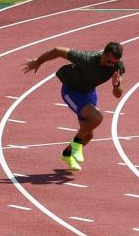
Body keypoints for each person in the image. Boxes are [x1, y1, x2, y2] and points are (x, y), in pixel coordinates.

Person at [23, 41, 125, 169]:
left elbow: (117, 94)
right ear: (105, 54)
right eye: (111, 61)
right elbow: (58, 50)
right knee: (97, 118)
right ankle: (76, 144)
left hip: (89, 92)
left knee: (88, 135)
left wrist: (116, 85)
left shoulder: (117, 66)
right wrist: (37, 62)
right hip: (71, 92)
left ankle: (67, 154)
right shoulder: (87, 59)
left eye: (116, 62)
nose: (113, 65)